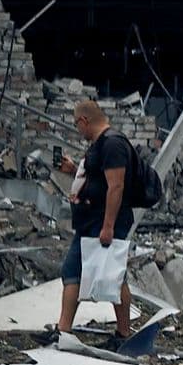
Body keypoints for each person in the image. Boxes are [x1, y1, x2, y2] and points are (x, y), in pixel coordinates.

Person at [56, 99, 136, 340]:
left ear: (84, 121)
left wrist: (108, 227)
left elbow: (116, 186)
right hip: (90, 221)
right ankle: (63, 330)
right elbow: (100, 179)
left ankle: (123, 333)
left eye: (76, 125)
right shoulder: (100, 145)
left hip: (105, 221)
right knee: (72, 271)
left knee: (114, 276)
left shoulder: (112, 144)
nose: (78, 131)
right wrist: (73, 170)